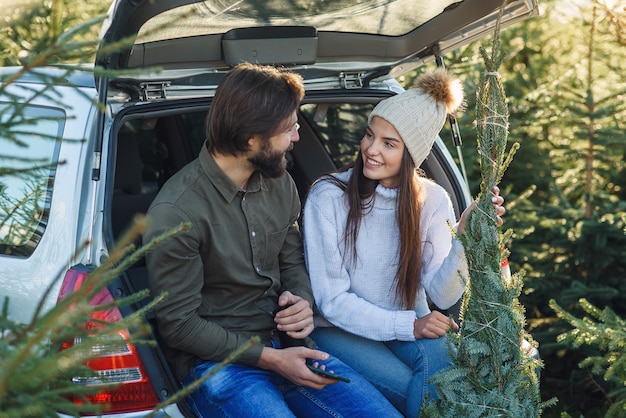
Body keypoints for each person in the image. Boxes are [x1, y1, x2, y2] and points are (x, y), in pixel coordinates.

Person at [143, 62, 402, 418]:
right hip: (219, 365)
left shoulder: (279, 181)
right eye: (289, 128)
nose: (296, 136)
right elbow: (179, 325)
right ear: (252, 139)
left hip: (290, 346)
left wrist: (301, 301)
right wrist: (270, 359)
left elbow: (292, 260)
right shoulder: (176, 212)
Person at [302, 69, 506, 417]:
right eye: (370, 135)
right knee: (430, 392)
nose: (371, 149)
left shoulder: (432, 199)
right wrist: (410, 325)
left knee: (443, 367)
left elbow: (441, 296)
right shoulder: (328, 196)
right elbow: (331, 301)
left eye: (389, 143)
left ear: (412, 153)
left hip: (406, 328)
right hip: (339, 330)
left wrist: (464, 238)